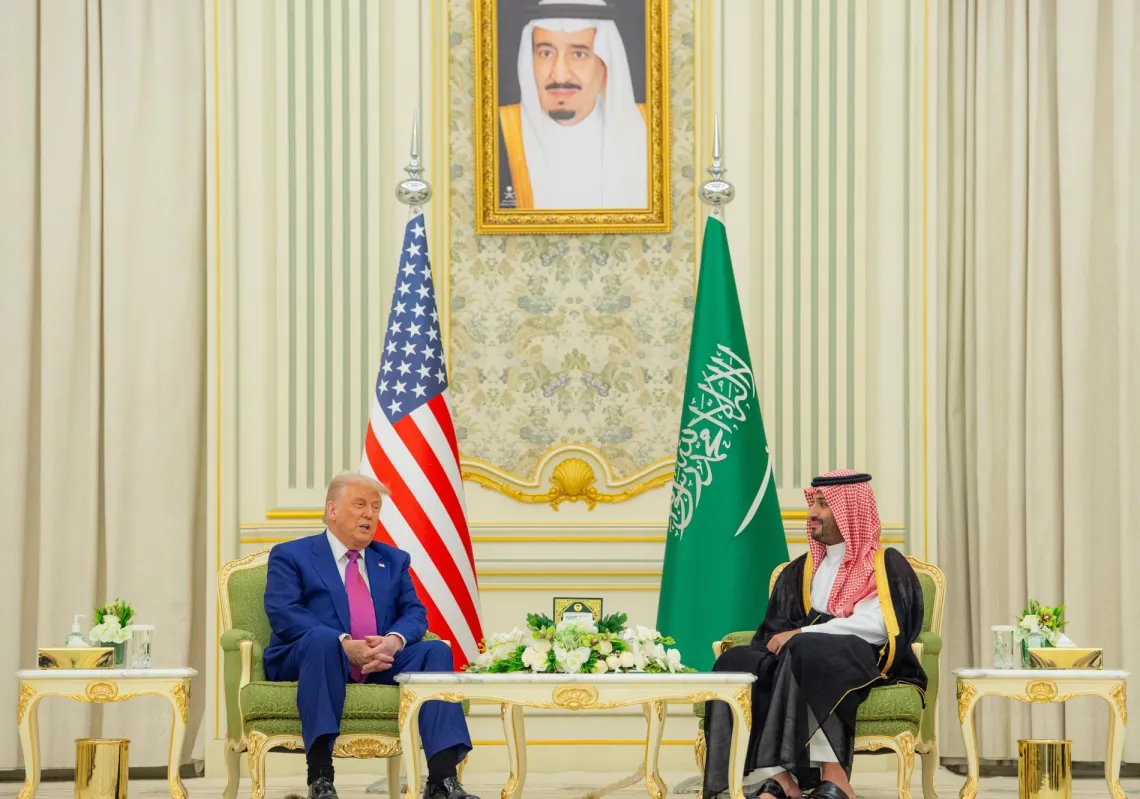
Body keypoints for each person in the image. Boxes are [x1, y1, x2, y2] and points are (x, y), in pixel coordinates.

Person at [700, 470, 927, 799]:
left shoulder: (883, 564)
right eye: (812, 504)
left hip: (861, 657)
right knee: (735, 660)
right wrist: (792, 638)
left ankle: (836, 780)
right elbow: (776, 628)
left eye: (823, 505)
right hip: (802, 653)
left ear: (849, 510)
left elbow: (880, 625)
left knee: (809, 648)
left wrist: (803, 632)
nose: (812, 514)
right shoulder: (802, 569)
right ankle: (779, 778)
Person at [263, 473, 478, 799]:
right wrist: (344, 644)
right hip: (315, 658)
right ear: (333, 510)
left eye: (375, 508)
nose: (369, 514)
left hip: (382, 659)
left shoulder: (392, 559)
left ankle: (442, 781)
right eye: (360, 505)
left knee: (435, 651)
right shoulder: (293, 555)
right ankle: (320, 778)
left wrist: (392, 641)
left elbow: (414, 613)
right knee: (323, 641)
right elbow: (284, 612)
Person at [497, 0, 648, 210]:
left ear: (606, 65)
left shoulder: (649, 131)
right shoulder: (497, 134)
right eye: (545, 53)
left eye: (579, 54)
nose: (559, 74)